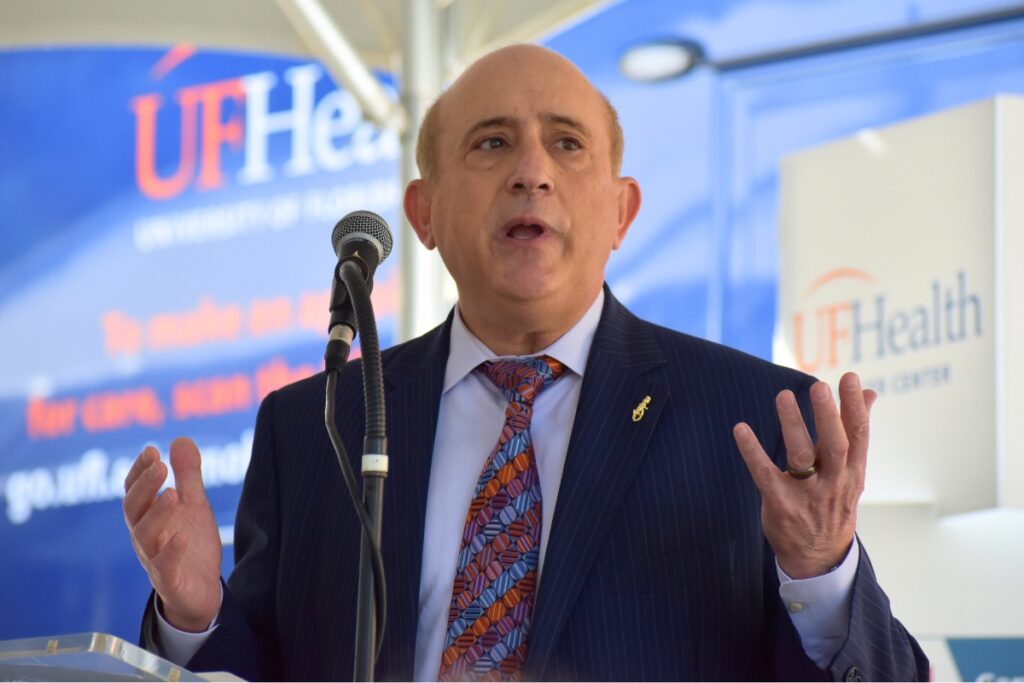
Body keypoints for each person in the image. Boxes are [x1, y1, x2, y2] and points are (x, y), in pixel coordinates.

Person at [123, 44, 928, 681]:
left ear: (621, 212)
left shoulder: (754, 422)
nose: (532, 172)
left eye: (566, 144)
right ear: (424, 212)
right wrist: (193, 618)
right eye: (492, 142)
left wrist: (821, 573)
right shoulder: (318, 425)